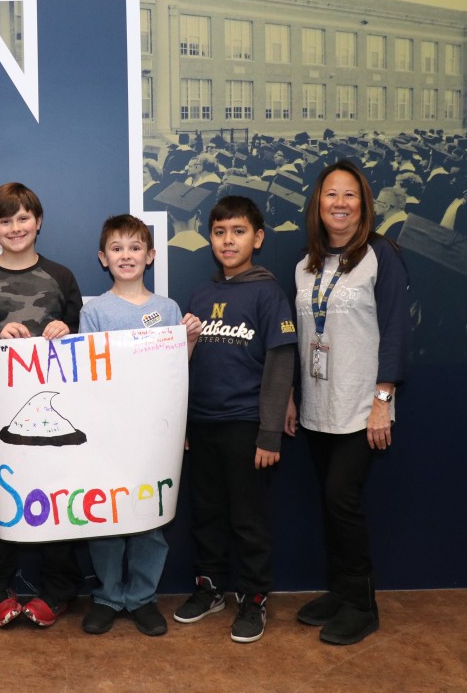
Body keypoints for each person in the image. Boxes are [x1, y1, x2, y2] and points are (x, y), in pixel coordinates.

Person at [286, 160, 410, 645]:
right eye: (331, 195)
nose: (339, 203)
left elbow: (398, 330)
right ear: (317, 203)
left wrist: (383, 400)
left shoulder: (382, 254)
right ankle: (340, 592)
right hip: (318, 405)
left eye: (350, 195)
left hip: (363, 405)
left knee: (343, 499)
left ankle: (362, 605)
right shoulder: (305, 263)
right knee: (329, 503)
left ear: (364, 205)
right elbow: (301, 337)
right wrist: (294, 396)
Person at [0, 182, 84, 629]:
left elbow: (87, 350)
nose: (15, 227)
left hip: (55, 416)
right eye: (5, 220)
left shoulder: (62, 277)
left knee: (57, 499)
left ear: (38, 221)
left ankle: (60, 589)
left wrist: (68, 331)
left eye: (23, 218)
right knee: (2, 502)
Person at [174, 196, 297, 644]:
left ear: (258, 238)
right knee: (205, 512)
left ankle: (254, 597)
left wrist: (269, 434)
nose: (229, 241)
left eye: (239, 232)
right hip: (203, 423)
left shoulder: (268, 292)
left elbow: (281, 365)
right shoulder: (201, 295)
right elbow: (184, 365)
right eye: (221, 232)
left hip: (247, 424)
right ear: (210, 238)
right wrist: (185, 422)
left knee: (248, 517)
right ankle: (210, 587)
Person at [78, 214, 198, 637]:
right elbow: (86, 378)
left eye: (134, 248)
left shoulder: (167, 310)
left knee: (149, 518)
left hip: (154, 433)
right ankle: (110, 596)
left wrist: (189, 342)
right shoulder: (93, 312)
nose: (125, 255)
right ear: (102, 257)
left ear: (150, 256)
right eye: (116, 248)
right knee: (108, 520)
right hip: (109, 432)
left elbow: (174, 374)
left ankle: (143, 598)